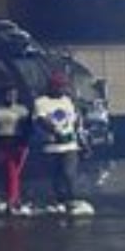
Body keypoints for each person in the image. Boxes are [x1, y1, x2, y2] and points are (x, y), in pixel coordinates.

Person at [33, 72, 84, 209]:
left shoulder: (67, 100)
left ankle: (72, 198)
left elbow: (74, 119)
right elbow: (41, 120)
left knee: (69, 173)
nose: (63, 89)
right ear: (52, 87)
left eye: (64, 87)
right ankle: (60, 200)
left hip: (70, 145)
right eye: (60, 87)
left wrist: (80, 138)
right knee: (56, 176)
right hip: (52, 146)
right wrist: (55, 132)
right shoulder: (41, 102)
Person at [0, 84, 32, 213]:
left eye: (14, 94)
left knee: (12, 173)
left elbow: (29, 128)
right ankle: (11, 198)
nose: (11, 97)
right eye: (8, 94)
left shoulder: (22, 110)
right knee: (5, 173)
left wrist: (25, 143)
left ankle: (12, 201)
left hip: (16, 142)